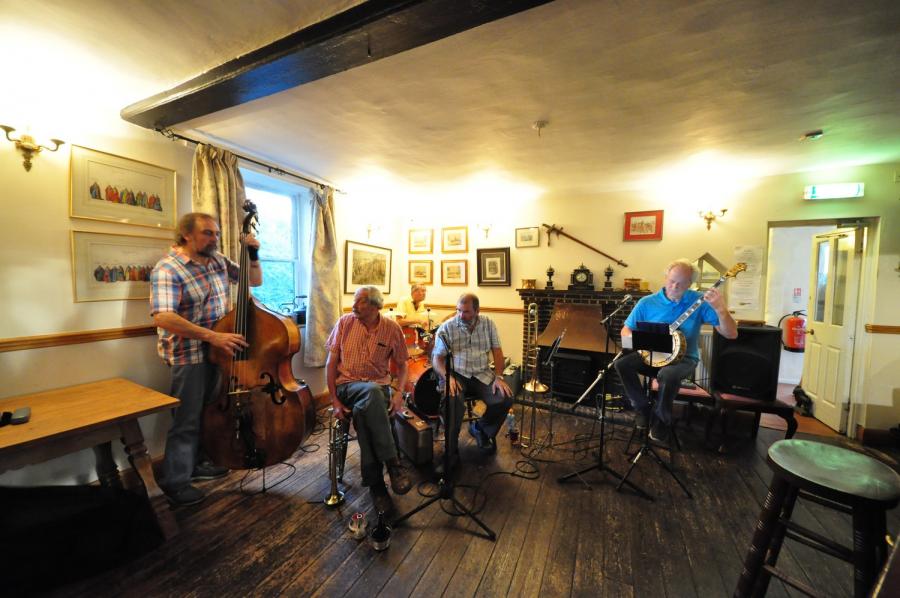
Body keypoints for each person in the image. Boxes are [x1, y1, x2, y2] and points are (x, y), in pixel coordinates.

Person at [150, 212, 263, 506]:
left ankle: (199, 463)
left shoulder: (217, 261)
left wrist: (253, 254)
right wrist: (213, 336)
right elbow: (163, 317)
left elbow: (255, 280)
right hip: (188, 354)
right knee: (186, 419)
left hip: (219, 350)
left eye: (216, 233)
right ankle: (176, 482)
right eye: (207, 233)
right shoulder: (168, 269)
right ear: (186, 234)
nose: (214, 239)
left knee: (209, 412)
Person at [615, 258, 737, 442]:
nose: (674, 286)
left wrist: (721, 310)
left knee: (668, 375)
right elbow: (626, 331)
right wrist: (639, 341)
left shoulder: (700, 301)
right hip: (654, 354)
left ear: (690, 283)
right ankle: (642, 408)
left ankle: (661, 420)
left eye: (681, 283)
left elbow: (731, 334)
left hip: (684, 358)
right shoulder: (647, 302)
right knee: (621, 364)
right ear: (666, 277)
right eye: (671, 280)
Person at [326, 286, 413, 515]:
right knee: (372, 393)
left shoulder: (392, 329)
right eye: (354, 301)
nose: (354, 305)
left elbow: (403, 365)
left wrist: (399, 394)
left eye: (360, 301)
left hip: (379, 389)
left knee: (366, 409)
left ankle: (376, 486)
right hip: (347, 386)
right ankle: (393, 463)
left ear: (375, 306)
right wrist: (334, 400)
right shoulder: (345, 323)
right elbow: (331, 364)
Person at [432, 293, 513, 461]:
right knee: (452, 402)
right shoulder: (447, 327)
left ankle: (480, 429)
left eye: (466, 311)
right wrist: (447, 377)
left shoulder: (488, 324)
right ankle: (451, 451)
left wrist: (499, 377)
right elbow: (437, 359)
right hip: (456, 373)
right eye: (458, 310)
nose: (461, 315)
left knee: (505, 398)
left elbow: (497, 352)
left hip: (481, 372)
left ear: (477, 311)